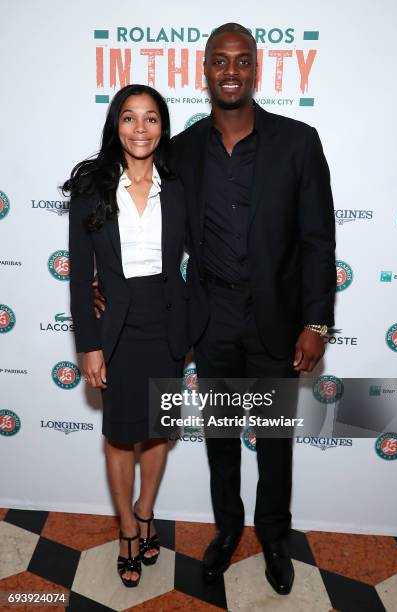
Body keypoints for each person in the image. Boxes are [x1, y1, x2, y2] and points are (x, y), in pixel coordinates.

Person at [95, 23, 336, 595]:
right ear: (205, 72)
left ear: (257, 69)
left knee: (274, 441)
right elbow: (135, 217)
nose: (231, 70)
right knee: (223, 439)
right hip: (212, 319)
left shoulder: (299, 142)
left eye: (242, 60)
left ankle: (274, 538)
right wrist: (104, 284)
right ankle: (228, 531)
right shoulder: (180, 151)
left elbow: (319, 242)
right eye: (220, 61)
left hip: (278, 321)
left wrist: (316, 321)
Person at [65, 84, 189, 588]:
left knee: (157, 428)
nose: (141, 129)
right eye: (130, 118)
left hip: (166, 322)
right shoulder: (93, 188)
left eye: (152, 118)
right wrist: (89, 343)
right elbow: (79, 275)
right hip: (116, 328)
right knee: (120, 435)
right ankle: (126, 532)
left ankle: (145, 510)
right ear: (116, 125)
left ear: (163, 127)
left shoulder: (180, 186)